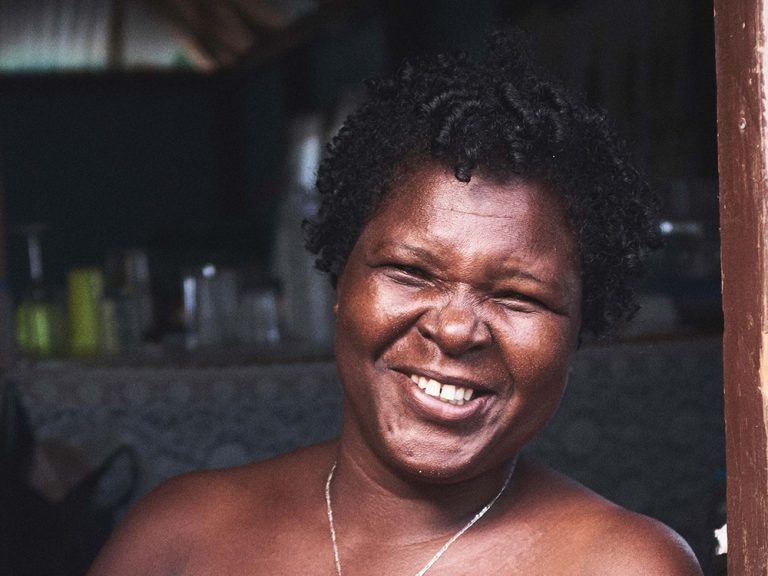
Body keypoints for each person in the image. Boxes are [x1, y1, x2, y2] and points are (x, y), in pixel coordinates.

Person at [88, 30, 702, 575]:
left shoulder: (621, 565)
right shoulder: (179, 538)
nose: (457, 328)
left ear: (578, 332)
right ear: (338, 283)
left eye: (517, 296)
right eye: (410, 272)